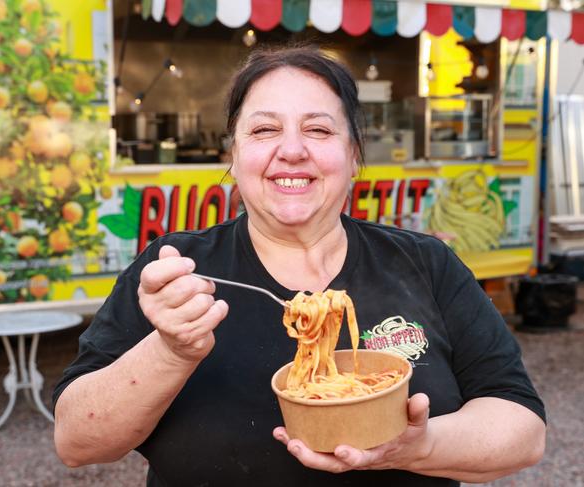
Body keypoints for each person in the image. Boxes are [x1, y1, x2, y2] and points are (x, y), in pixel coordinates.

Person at [53, 46, 546, 486]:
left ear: (353, 156)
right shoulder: (177, 272)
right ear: (235, 154)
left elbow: (522, 430)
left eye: (318, 129)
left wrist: (418, 447)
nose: (292, 150)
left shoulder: (424, 263)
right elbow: (78, 443)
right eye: (265, 129)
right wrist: (172, 349)